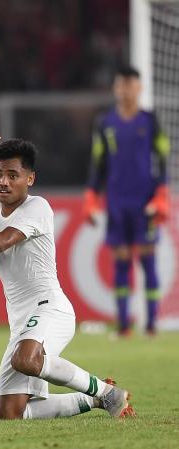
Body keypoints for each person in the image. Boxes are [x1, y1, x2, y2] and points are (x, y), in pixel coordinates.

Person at [0, 138, 135, 420]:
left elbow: (2, 242)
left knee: (26, 360)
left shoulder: (37, 207)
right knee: (10, 413)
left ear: (30, 179)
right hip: (20, 322)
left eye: (13, 176)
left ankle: (106, 394)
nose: (3, 182)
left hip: (49, 308)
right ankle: (96, 400)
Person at [83, 66, 171, 336]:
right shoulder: (105, 123)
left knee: (147, 259)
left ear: (139, 88)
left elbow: (164, 159)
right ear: (115, 88)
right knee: (121, 259)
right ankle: (123, 326)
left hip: (145, 202)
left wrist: (162, 194)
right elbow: (98, 163)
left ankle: (152, 324)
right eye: (121, 84)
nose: (126, 90)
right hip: (117, 202)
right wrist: (91, 197)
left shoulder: (150, 120)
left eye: (131, 84)